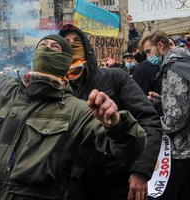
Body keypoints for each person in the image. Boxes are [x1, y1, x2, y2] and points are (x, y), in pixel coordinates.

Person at [0, 7, 146, 200]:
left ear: (65, 61)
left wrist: (116, 124)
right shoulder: (0, 88)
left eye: (55, 47)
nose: (47, 48)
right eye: (42, 46)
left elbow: (129, 149)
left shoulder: (75, 110)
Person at [58, 24, 161, 200]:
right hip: (77, 182)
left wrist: (141, 170)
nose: (72, 45)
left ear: (87, 47)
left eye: (77, 41)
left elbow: (150, 121)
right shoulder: (60, 89)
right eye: (67, 42)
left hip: (118, 178)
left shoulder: (115, 77)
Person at [142, 29, 190, 200]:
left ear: (160, 46)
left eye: (148, 51)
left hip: (183, 146)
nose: (147, 57)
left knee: (164, 194)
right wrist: (161, 100)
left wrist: (154, 127)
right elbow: (185, 100)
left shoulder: (174, 68)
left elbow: (178, 117)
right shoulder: (182, 61)